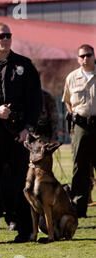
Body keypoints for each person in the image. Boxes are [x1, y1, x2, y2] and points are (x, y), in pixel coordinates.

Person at [0, 23, 43, 244]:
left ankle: (25, 230)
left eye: (8, 36)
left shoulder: (24, 65)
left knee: (19, 185)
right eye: (0, 36)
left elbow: (35, 101)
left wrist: (28, 129)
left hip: (16, 136)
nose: (5, 39)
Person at [62, 44, 96, 218]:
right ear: (77, 58)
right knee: (79, 167)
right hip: (81, 126)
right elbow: (67, 101)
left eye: (88, 55)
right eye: (82, 56)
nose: (85, 59)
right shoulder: (72, 77)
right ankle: (78, 207)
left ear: (93, 55)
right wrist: (75, 115)